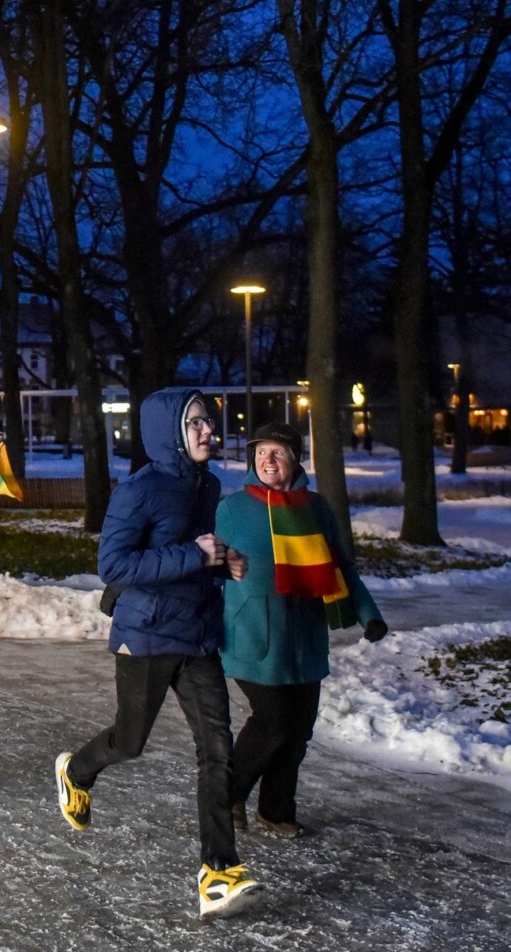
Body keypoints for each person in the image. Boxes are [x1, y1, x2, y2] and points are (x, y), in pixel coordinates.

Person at [53, 387, 260, 918]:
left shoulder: (208, 484)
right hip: (145, 635)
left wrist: (222, 560)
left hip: (197, 634)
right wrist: (194, 554)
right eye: (196, 423)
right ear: (170, 432)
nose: (208, 430)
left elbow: (196, 549)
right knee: (130, 741)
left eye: (208, 421)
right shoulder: (139, 491)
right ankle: (77, 771)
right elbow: (114, 566)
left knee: (217, 748)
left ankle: (218, 870)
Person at [216, 422, 386, 839]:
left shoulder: (316, 508)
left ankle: (275, 809)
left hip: (306, 638)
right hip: (253, 635)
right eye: (261, 452)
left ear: (295, 458)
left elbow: (340, 566)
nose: (267, 460)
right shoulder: (233, 509)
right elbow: (207, 563)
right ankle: (226, 797)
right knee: (274, 721)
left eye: (277, 452)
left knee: (298, 732)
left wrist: (368, 614)